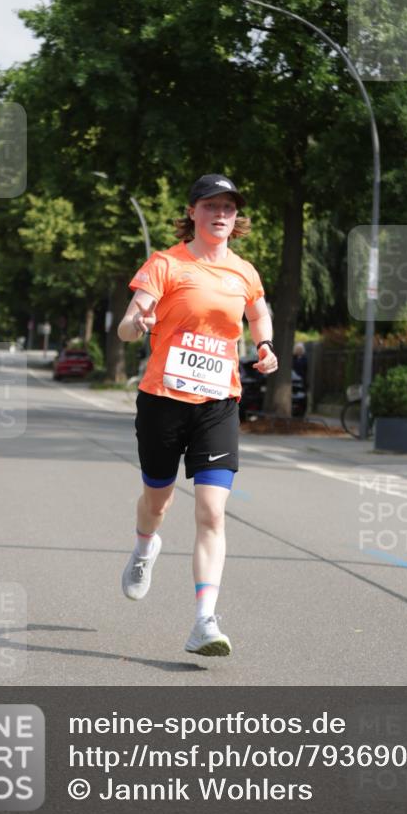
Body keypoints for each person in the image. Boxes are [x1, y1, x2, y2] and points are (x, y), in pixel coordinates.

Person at [117, 173, 277, 657]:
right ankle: (145, 545)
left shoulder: (244, 272)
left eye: (228, 207)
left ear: (236, 216)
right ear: (192, 212)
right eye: (211, 206)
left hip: (218, 403)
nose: (221, 214)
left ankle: (204, 621)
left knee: (211, 511)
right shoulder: (166, 264)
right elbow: (127, 326)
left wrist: (265, 345)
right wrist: (138, 322)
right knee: (158, 501)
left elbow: (258, 313)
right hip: (163, 400)